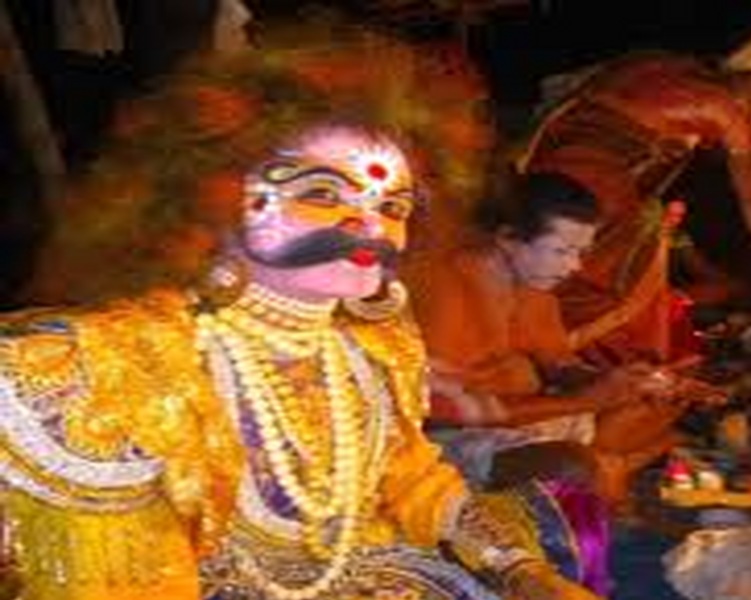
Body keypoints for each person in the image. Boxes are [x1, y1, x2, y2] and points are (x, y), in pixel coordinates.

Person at [0, 27, 599, 600]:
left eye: (393, 206)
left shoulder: (368, 343)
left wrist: (515, 568)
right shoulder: (121, 368)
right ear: (212, 200)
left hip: (365, 564)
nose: (371, 227)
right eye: (321, 195)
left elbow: (409, 473)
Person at [516, 23, 751, 360]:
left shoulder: (670, 68)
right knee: (607, 294)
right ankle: (567, 365)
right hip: (594, 197)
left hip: (546, 184)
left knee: (550, 281)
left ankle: (539, 356)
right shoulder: (723, 108)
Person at [413, 171, 721, 508]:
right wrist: (583, 401)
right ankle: (602, 487)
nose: (575, 266)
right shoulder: (448, 288)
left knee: (646, 410)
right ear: (508, 238)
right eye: (562, 251)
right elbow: (439, 410)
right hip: (436, 439)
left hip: (517, 420)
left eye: (580, 252)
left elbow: (560, 366)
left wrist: (623, 381)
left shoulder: (535, 294)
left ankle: (612, 472)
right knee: (573, 466)